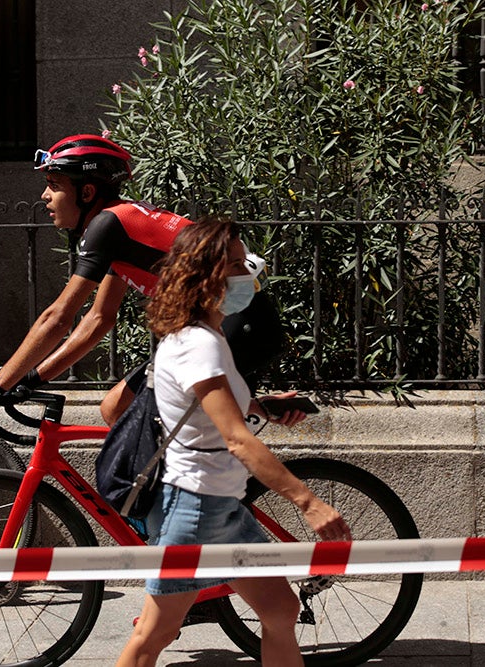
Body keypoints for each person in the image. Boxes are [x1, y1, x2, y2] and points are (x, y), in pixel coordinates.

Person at [116, 218, 351, 667]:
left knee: (281, 609)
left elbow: (211, 407)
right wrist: (309, 503)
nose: (250, 275)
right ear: (211, 277)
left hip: (221, 506)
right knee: (154, 633)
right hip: (195, 507)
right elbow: (237, 439)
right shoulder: (199, 344)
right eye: (240, 265)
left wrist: (261, 404)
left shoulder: (206, 337)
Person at [0, 133, 285, 428]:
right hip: (229, 327)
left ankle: (203, 488)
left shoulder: (108, 225)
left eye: (54, 185)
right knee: (116, 409)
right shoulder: (121, 227)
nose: (44, 196)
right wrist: (31, 378)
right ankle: (253, 411)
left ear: (86, 191)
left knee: (158, 436)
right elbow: (98, 320)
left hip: (241, 327)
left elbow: (58, 317)